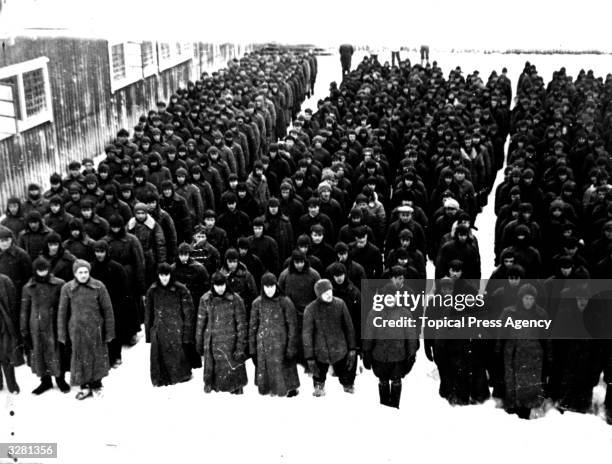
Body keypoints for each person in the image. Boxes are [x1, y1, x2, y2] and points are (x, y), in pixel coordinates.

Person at [58, 259, 115, 400]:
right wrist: (62, 334)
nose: (83, 275)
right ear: (75, 273)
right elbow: (62, 313)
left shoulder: (98, 286)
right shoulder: (67, 288)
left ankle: (96, 385)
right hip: (77, 331)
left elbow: (108, 310)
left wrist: (109, 331)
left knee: (97, 357)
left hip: (96, 329)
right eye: (80, 272)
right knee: (80, 358)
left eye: (86, 272)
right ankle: (84, 386)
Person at [363, 269, 420, 408]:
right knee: (382, 380)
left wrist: (411, 354)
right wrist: (367, 353)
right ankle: (384, 406)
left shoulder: (405, 313)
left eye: (392, 296)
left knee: (396, 380)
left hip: (398, 356)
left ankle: (395, 406)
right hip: (379, 356)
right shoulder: (374, 313)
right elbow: (369, 334)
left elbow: (411, 336)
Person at [496, 284, 552, 419]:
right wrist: (497, 353)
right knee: (511, 390)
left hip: (533, 359)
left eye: (531, 298)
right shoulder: (508, 312)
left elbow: (546, 338)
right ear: (521, 298)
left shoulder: (541, 314)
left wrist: (549, 358)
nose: (528, 301)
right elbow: (500, 335)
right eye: (526, 298)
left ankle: (525, 418)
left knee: (528, 393)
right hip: (512, 356)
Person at [20, 257, 70, 394]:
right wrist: (24, 330)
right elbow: (24, 310)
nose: (42, 273)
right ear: (35, 271)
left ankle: (61, 380)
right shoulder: (28, 287)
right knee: (39, 353)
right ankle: (45, 381)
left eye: (45, 269)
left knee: (57, 353)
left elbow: (65, 307)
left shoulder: (59, 284)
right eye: (39, 270)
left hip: (54, 325)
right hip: (36, 326)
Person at [195, 272, 248, 394]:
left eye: (222, 284)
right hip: (212, 344)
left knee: (233, 380)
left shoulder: (236, 300)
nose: (220, 288)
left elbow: (242, 325)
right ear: (212, 285)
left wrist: (240, 347)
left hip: (230, 344)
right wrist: (199, 345)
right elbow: (200, 324)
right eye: (217, 285)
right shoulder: (205, 300)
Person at [303, 279, 357, 396]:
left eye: (329, 291)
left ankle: (348, 385)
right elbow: (307, 334)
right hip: (320, 350)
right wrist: (309, 356)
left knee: (345, 370)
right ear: (318, 294)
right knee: (318, 372)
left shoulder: (340, 304)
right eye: (324, 293)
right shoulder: (311, 309)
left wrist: (352, 348)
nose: (328, 295)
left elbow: (349, 327)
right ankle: (319, 386)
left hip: (340, 347)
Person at [249, 273, 300, 397]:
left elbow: (292, 326)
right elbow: (253, 327)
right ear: (262, 288)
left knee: (285, 371)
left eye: (272, 286)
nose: (269, 290)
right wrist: (252, 350)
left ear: (276, 286)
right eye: (266, 287)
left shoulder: (285, 302)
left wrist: (291, 348)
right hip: (264, 345)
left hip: (282, 344)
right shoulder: (257, 303)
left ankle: (290, 389)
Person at [144, 263, 194, 387]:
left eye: (167, 275)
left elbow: (189, 312)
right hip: (159, 328)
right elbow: (148, 313)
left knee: (178, 355)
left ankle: (181, 376)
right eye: (161, 275)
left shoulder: (180, 289)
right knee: (159, 356)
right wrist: (149, 334)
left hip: (176, 327)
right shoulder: (153, 290)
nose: (164, 278)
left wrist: (187, 332)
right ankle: (161, 378)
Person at [90, 240, 130, 367]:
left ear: (107, 252)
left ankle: (116, 355)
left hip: (114, 304)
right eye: (97, 252)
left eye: (102, 252)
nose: (99, 255)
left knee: (115, 330)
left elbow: (124, 288)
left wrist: (122, 303)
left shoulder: (116, 267)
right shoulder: (91, 268)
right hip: (97, 304)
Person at [0, 272, 19, 393]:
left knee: (6, 355)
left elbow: (13, 303)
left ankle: (12, 385)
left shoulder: (5, 280)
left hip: (4, 324)